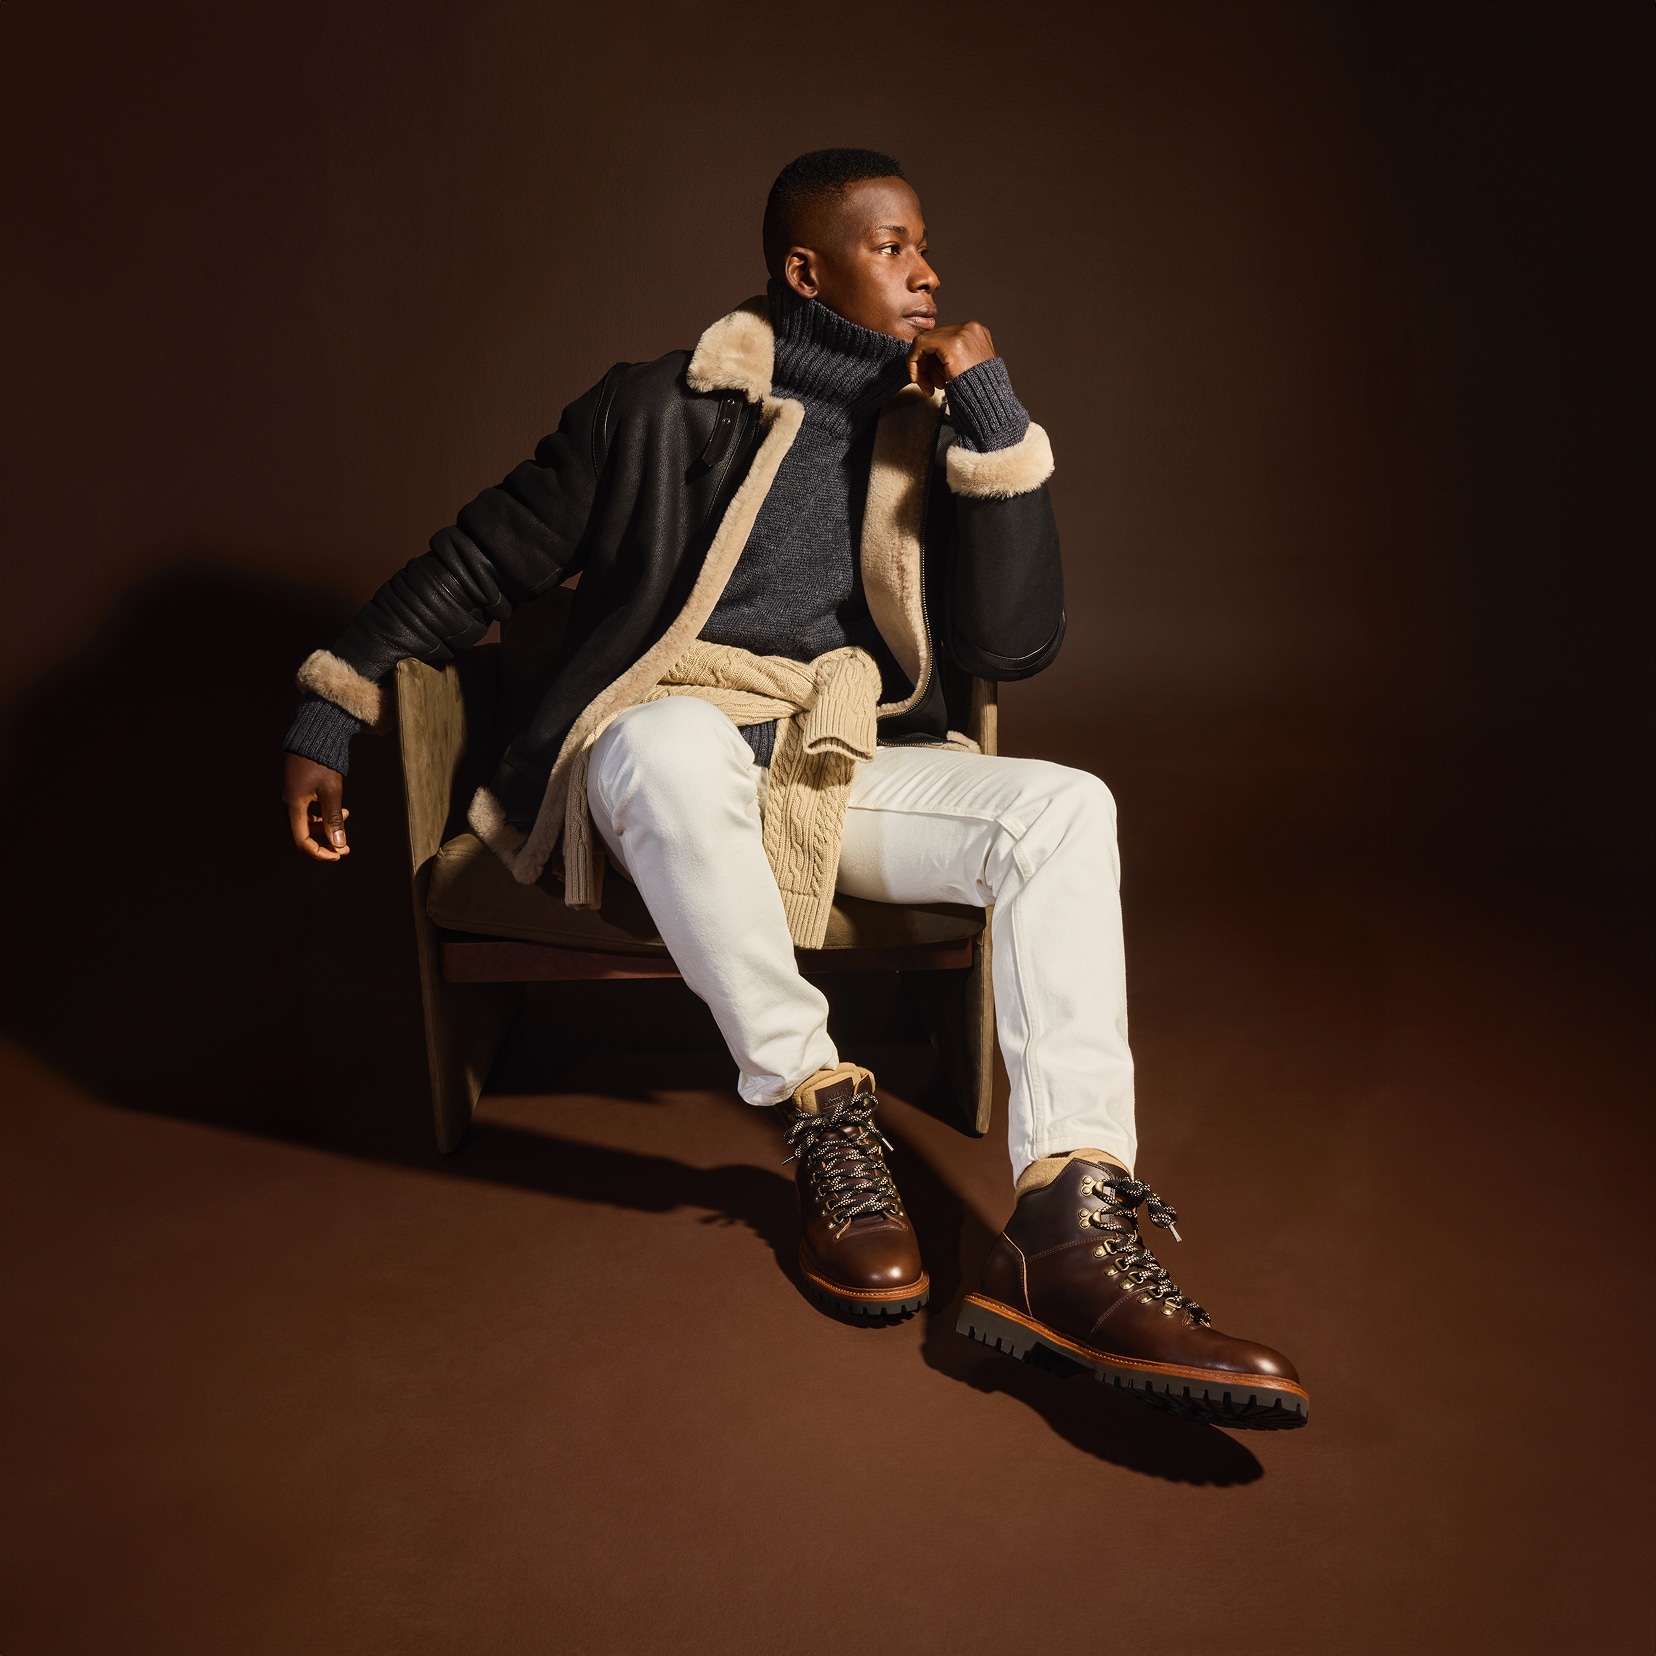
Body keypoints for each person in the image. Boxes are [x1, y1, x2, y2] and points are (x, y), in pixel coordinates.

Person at [282, 149, 1308, 1431]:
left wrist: (991, 416)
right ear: (804, 269)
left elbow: (1014, 645)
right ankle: (822, 1112)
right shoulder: (654, 408)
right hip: (666, 757)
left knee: (1068, 806)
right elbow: (483, 558)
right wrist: (336, 703)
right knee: (662, 744)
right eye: (891, 248)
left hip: (839, 756)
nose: (927, 271)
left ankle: (1069, 1224)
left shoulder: (932, 428)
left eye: (927, 244)